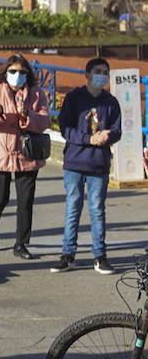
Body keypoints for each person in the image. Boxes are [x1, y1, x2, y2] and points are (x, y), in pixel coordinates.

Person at [0, 53, 51, 260]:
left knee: (26, 201)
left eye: (22, 72)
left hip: (26, 153)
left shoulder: (36, 93)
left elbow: (44, 121)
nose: (17, 75)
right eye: (13, 71)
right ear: (5, 72)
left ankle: (21, 243)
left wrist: (28, 116)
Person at [52, 58, 121, 273]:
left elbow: (118, 130)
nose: (102, 76)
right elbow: (65, 128)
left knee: (97, 210)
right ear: (88, 74)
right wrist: (87, 139)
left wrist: (108, 135)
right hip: (75, 162)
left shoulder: (111, 102)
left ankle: (100, 255)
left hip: (98, 164)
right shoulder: (74, 98)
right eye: (98, 71)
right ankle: (67, 253)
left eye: (105, 73)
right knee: (73, 207)